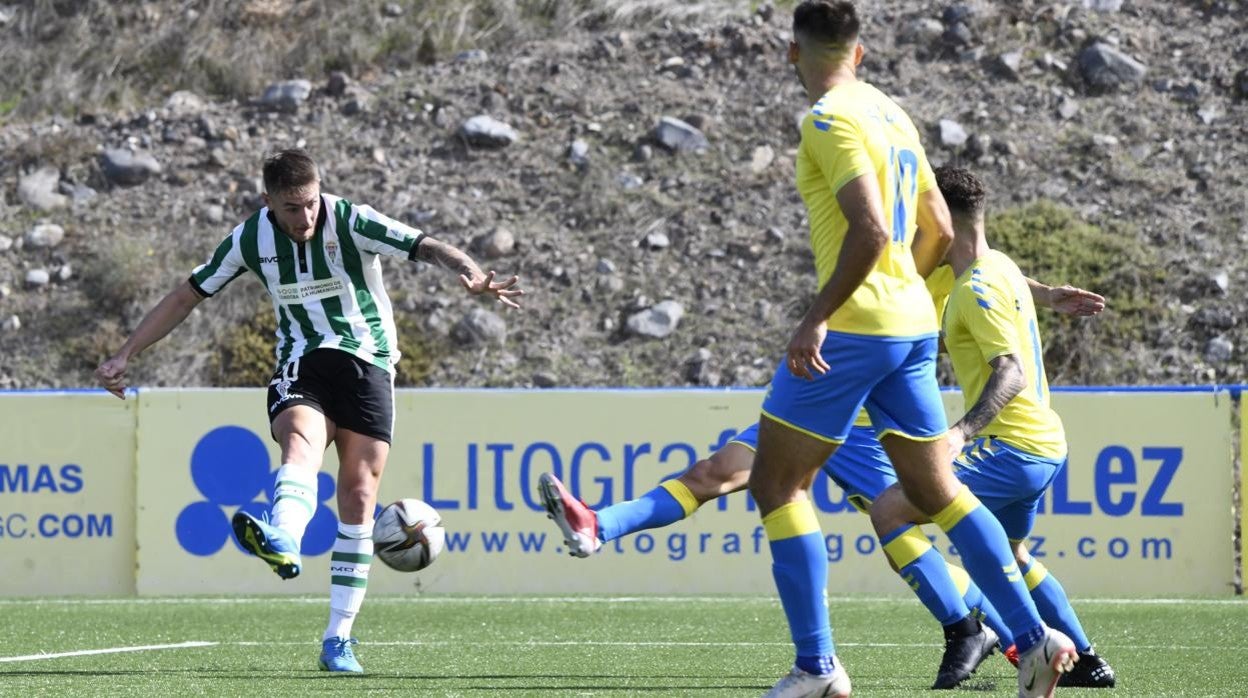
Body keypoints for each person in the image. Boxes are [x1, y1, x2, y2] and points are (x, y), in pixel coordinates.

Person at [539, 279, 1104, 690]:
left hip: (865, 423)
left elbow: (975, 268)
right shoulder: (869, 220)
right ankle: (597, 525)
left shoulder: (901, 223)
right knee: (711, 473)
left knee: (903, 525)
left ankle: (1000, 634)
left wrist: (1043, 295)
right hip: (814, 395)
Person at [742, 3, 1075, 696]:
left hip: (860, 329)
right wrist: (905, 292)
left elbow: (867, 231)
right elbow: (936, 226)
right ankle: (1031, 636)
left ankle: (817, 668)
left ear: (790, 53)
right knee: (935, 488)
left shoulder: (828, 119)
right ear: (859, 54)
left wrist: (817, 318)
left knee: (777, 484)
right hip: (910, 326)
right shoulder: (892, 113)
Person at [95, 149, 523, 674]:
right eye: (292, 208)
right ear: (268, 202)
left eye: (312, 203)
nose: (306, 217)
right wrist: (125, 353)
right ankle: (284, 539)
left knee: (360, 494)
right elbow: (187, 296)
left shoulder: (349, 219)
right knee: (299, 442)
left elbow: (425, 245)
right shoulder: (250, 238)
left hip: (367, 364)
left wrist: (471, 273)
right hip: (302, 362)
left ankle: (338, 638)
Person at [869, 165, 1116, 689]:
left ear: (942, 219)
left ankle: (1000, 637)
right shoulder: (996, 266)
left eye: (922, 217)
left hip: (1012, 448)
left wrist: (960, 433)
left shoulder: (974, 292)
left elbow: (1011, 372)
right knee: (1014, 553)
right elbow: (1004, 282)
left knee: (890, 510)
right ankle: (1088, 662)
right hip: (1046, 444)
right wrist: (1048, 295)